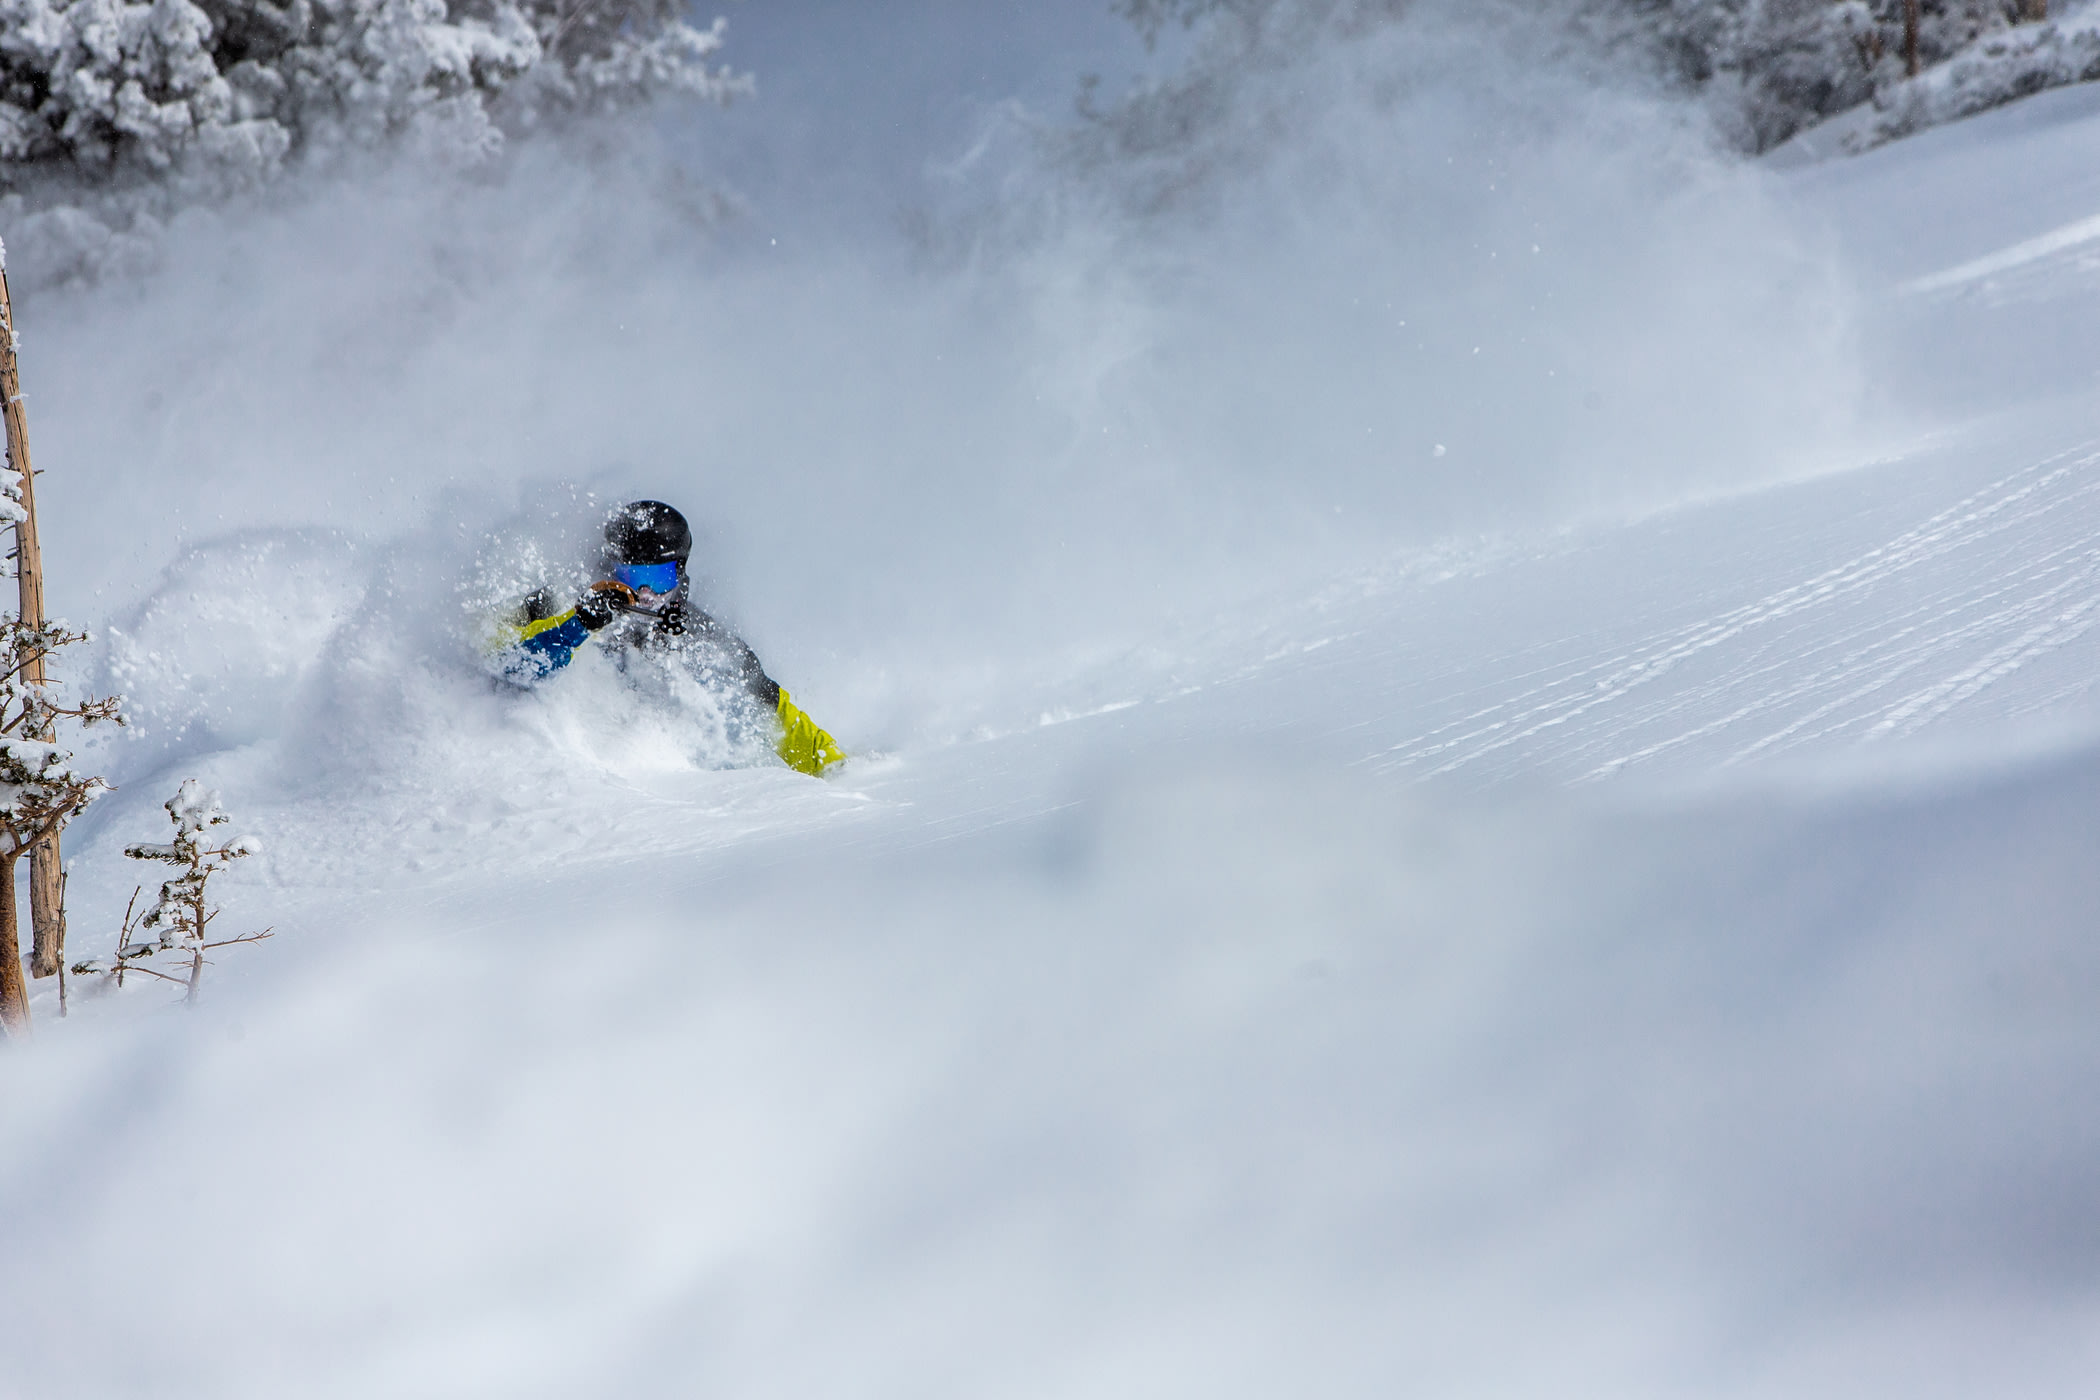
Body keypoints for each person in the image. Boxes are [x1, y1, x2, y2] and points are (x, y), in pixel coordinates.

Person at [493, 500, 845, 777]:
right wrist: (579, 624)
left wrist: (836, 770)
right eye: (632, 575)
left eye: (659, 577)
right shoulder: (560, 600)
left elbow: (766, 704)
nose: (645, 593)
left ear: (681, 573)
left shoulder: (702, 639)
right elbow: (504, 666)